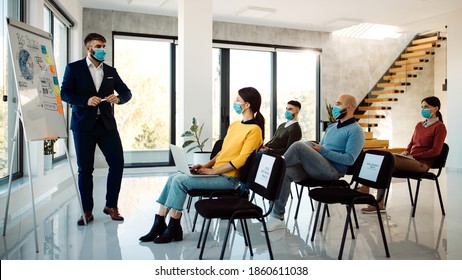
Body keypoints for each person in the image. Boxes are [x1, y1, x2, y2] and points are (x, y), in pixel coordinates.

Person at [139, 87, 265, 244]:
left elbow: (241, 160)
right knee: (173, 177)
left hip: (228, 179)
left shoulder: (255, 130)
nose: (235, 102)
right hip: (217, 173)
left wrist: (213, 172)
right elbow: (222, 153)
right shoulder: (234, 126)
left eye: (237, 100)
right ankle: (159, 223)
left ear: (247, 105)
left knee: (179, 181)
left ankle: (174, 227)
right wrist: (204, 166)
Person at [264, 94, 365, 232]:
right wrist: (315, 149)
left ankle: (272, 172)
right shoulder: (332, 127)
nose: (335, 107)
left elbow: (349, 160)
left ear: (349, 107)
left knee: (298, 146)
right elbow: (322, 149)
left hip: (333, 171)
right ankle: (277, 217)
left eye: (338, 104)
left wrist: (322, 150)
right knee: (286, 172)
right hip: (319, 166)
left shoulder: (356, 131)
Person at [61, 33, 132, 225]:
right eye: (98, 46)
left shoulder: (110, 70)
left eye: (104, 46)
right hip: (83, 126)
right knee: (85, 169)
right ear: (88, 48)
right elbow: (64, 93)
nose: (102, 50)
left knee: (117, 164)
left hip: (107, 125)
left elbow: (126, 92)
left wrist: (119, 99)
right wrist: (84, 100)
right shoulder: (74, 68)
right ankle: (87, 211)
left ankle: (111, 206)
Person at [360, 96, 447, 213]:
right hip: (411, 160)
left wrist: (415, 156)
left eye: (426, 107)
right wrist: (406, 152)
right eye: (422, 107)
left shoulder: (440, 127)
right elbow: (411, 143)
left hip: (422, 164)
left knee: (388, 158)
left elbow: (436, 151)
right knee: (386, 164)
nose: (423, 109)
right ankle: (379, 202)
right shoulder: (419, 125)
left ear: (436, 108)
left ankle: (366, 189)